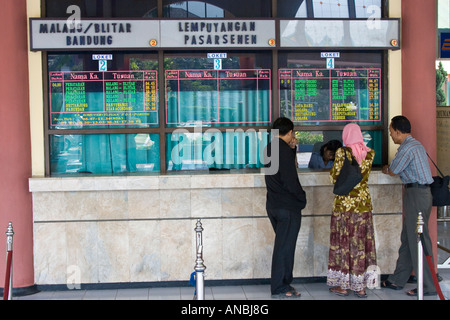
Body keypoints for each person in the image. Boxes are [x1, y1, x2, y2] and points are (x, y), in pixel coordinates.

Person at [381, 115, 436, 296]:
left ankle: (427, 286)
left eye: (391, 132)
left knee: (419, 240)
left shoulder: (407, 148)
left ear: (398, 131)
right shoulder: (416, 144)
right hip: (419, 194)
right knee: (408, 238)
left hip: (416, 195)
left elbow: (394, 170)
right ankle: (397, 280)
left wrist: (386, 168)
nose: (390, 135)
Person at [327, 123, 377, 298]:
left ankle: (343, 286)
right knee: (361, 245)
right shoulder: (370, 153)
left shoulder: (343, 152)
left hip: (345, 205)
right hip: (363, 205)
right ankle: (361, 287)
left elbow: (334, 176)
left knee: (344, 245)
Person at [264, 117, 307, 298]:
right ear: (290, 132)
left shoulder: (269, 148)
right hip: (287, 206)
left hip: (273, 205)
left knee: (283, 246)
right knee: (285, 248)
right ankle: (281, 286)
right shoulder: (284, 151)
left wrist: (293, 148)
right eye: (292, 134)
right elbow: (290, 179)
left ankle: (283, 284)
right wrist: (301, 198)